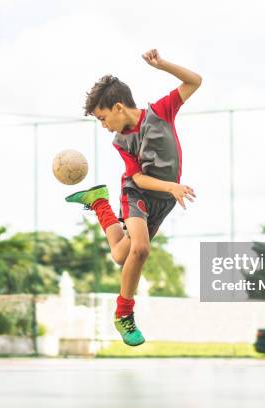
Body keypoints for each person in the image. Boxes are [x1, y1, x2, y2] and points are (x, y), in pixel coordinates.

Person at [66, 49, 201, 346]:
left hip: (162, 200)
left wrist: (163, 65)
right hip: (137, 192)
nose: (104, 126)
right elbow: (137, 178)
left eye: (103, 118)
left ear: (117, 107)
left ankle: (99, 202)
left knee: (120, 255)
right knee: (140, 249)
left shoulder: (161, 112)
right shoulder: (121, 141)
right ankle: (124, 314)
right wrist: (172, 187)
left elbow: (194, 81)